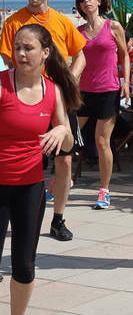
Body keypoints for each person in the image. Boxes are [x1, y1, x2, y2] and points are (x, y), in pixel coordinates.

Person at [0, 0, 86, 241]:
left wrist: (67, 82)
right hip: (24, 101)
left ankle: (58, 218)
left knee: (65, 161)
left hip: (55, 99)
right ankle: (19, 213)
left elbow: (80, 55)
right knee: (26, 160)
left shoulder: (61, 21)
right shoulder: (14, 22)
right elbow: (8, 63)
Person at [0, 24, 81, 314]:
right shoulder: (2, 85)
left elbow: (68, 142)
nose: (20, 53)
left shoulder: (53, 91)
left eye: (28, 48)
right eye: (17, 47)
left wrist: (62, 130)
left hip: (30, 188)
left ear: (45, 52)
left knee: (24, 266)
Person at [75, 0, 130, 209]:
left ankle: (104, 190)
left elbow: (125, 54)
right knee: (69, 136)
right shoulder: (78, 31)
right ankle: (61, 180)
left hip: (108, 89)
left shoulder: (113, 26)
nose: (86, 1)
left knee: (101, 141)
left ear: (99, 1)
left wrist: (126, 81)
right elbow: (75, 61)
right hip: (84, 91)